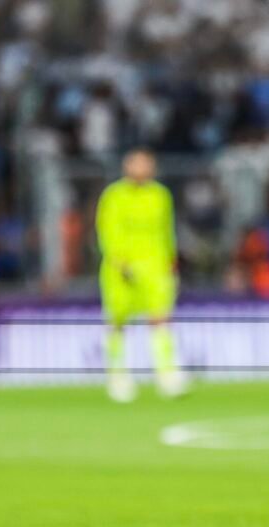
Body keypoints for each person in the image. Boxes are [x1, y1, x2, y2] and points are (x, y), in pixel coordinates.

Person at [96, 148, 185, 402]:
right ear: (127, 167)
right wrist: (119, 260)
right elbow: (107, 230)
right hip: (121, 268)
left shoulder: (160, 194)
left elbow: (167, 230)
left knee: (160, 319)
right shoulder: (114, 195)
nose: (141, 169)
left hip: (156, 266)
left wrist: (171, 261)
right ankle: (117, 375)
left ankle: (167, 375)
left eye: (146, 164)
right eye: (136, 164)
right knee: (117, 322)